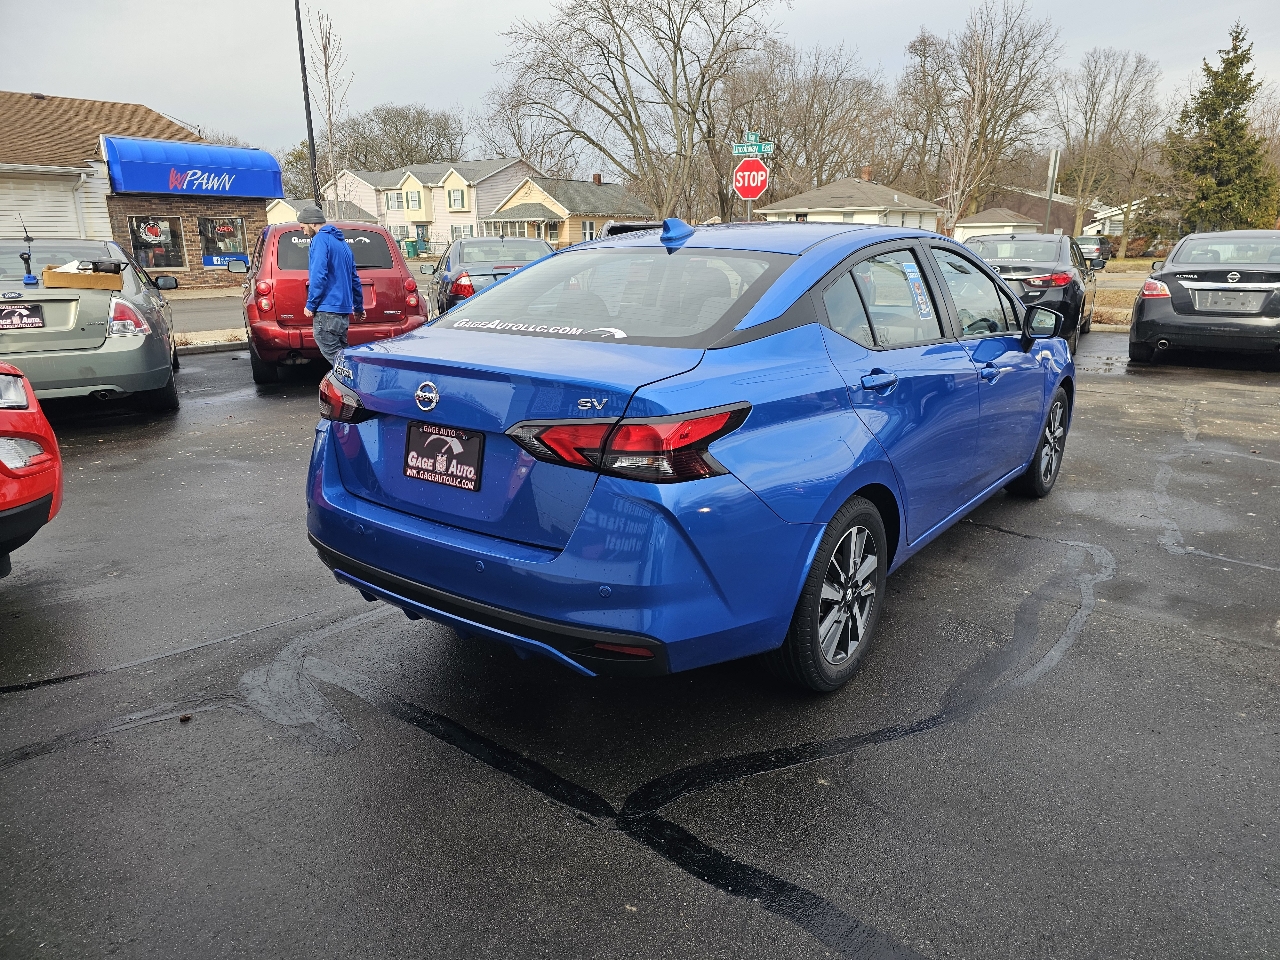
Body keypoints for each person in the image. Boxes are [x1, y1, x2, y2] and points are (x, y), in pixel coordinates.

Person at [298, 206, 364, 366]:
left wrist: (311, 304)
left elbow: (318, 274)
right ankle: (352, 376)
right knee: (343, 355)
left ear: (312, 223)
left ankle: (354, 377)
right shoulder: (342, 243)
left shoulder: (320, 240)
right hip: (342, 312)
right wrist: (358, 307)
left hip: (327, 310)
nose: (303, 232)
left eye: (303, 227)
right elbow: (354, 278)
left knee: (339, 361)